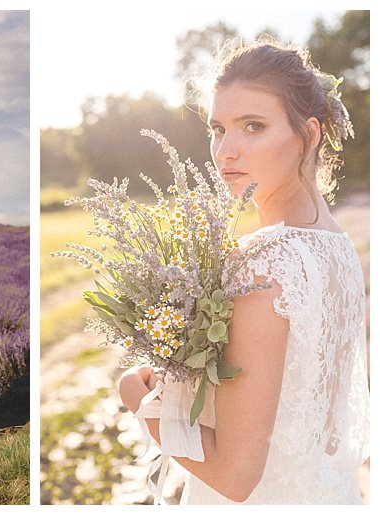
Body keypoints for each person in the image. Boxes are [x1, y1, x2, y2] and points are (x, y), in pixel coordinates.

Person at [118, 38, 369, 504]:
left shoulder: (261, 265)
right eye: (218, 128)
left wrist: (139, 396)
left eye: (253, 126)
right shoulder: (336, 244)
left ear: (309, 135)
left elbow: (235, 477)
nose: (225, 150)